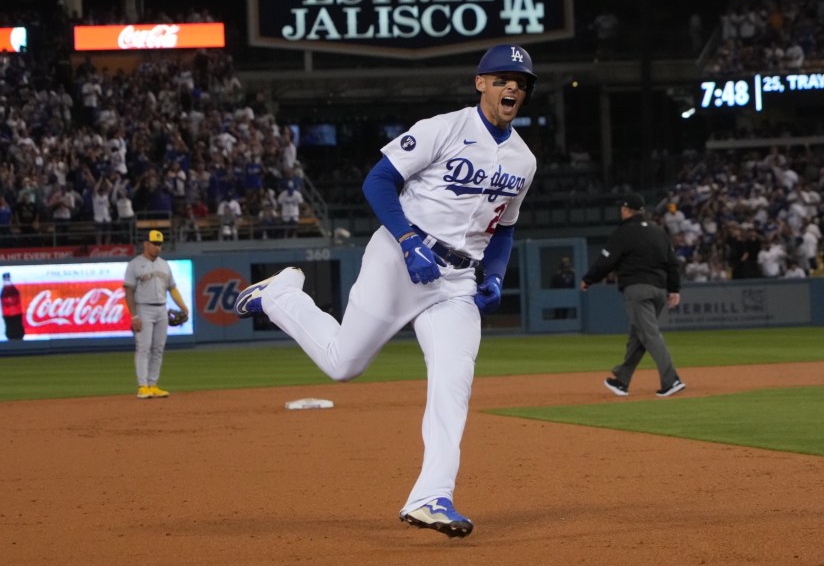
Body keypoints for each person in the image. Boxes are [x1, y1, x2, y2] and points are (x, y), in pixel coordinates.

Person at [234, 44, 538, 539]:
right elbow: (378, 182)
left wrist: (497, 275)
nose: (513, 88)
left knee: (453, 385)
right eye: (503, 78)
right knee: (343, 365)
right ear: (480, 82)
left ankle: (431, 496)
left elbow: (504, 228)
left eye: (521, 82)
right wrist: (408, 240)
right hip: (399, 258)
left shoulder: (524, 160)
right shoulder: (444, 128)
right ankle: (280, 295)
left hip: (457, 282)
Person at [581, 193, 685, 398]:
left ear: (626, 210)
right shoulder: (658, 231)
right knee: (638, 336)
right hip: (659, 290)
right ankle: (622, 380)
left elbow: (606, 260)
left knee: (649, 335)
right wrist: (674, 289)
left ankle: (671, 379)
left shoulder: (624, 232)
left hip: (637, 289)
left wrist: (589, 279)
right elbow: (673, 262)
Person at [123, 230, 189, 399]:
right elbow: (129, 292)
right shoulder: (134, 264)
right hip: (143, 308)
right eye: (154, 244)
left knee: (158, 348)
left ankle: (153, 384)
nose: (157, 247)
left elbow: (172, 288)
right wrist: (134, 316)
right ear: (146, 244)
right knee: (144, 348)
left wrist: (184, 307)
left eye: (159, 244)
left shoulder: (164, 265)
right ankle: (142, 386)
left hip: (162, 309)